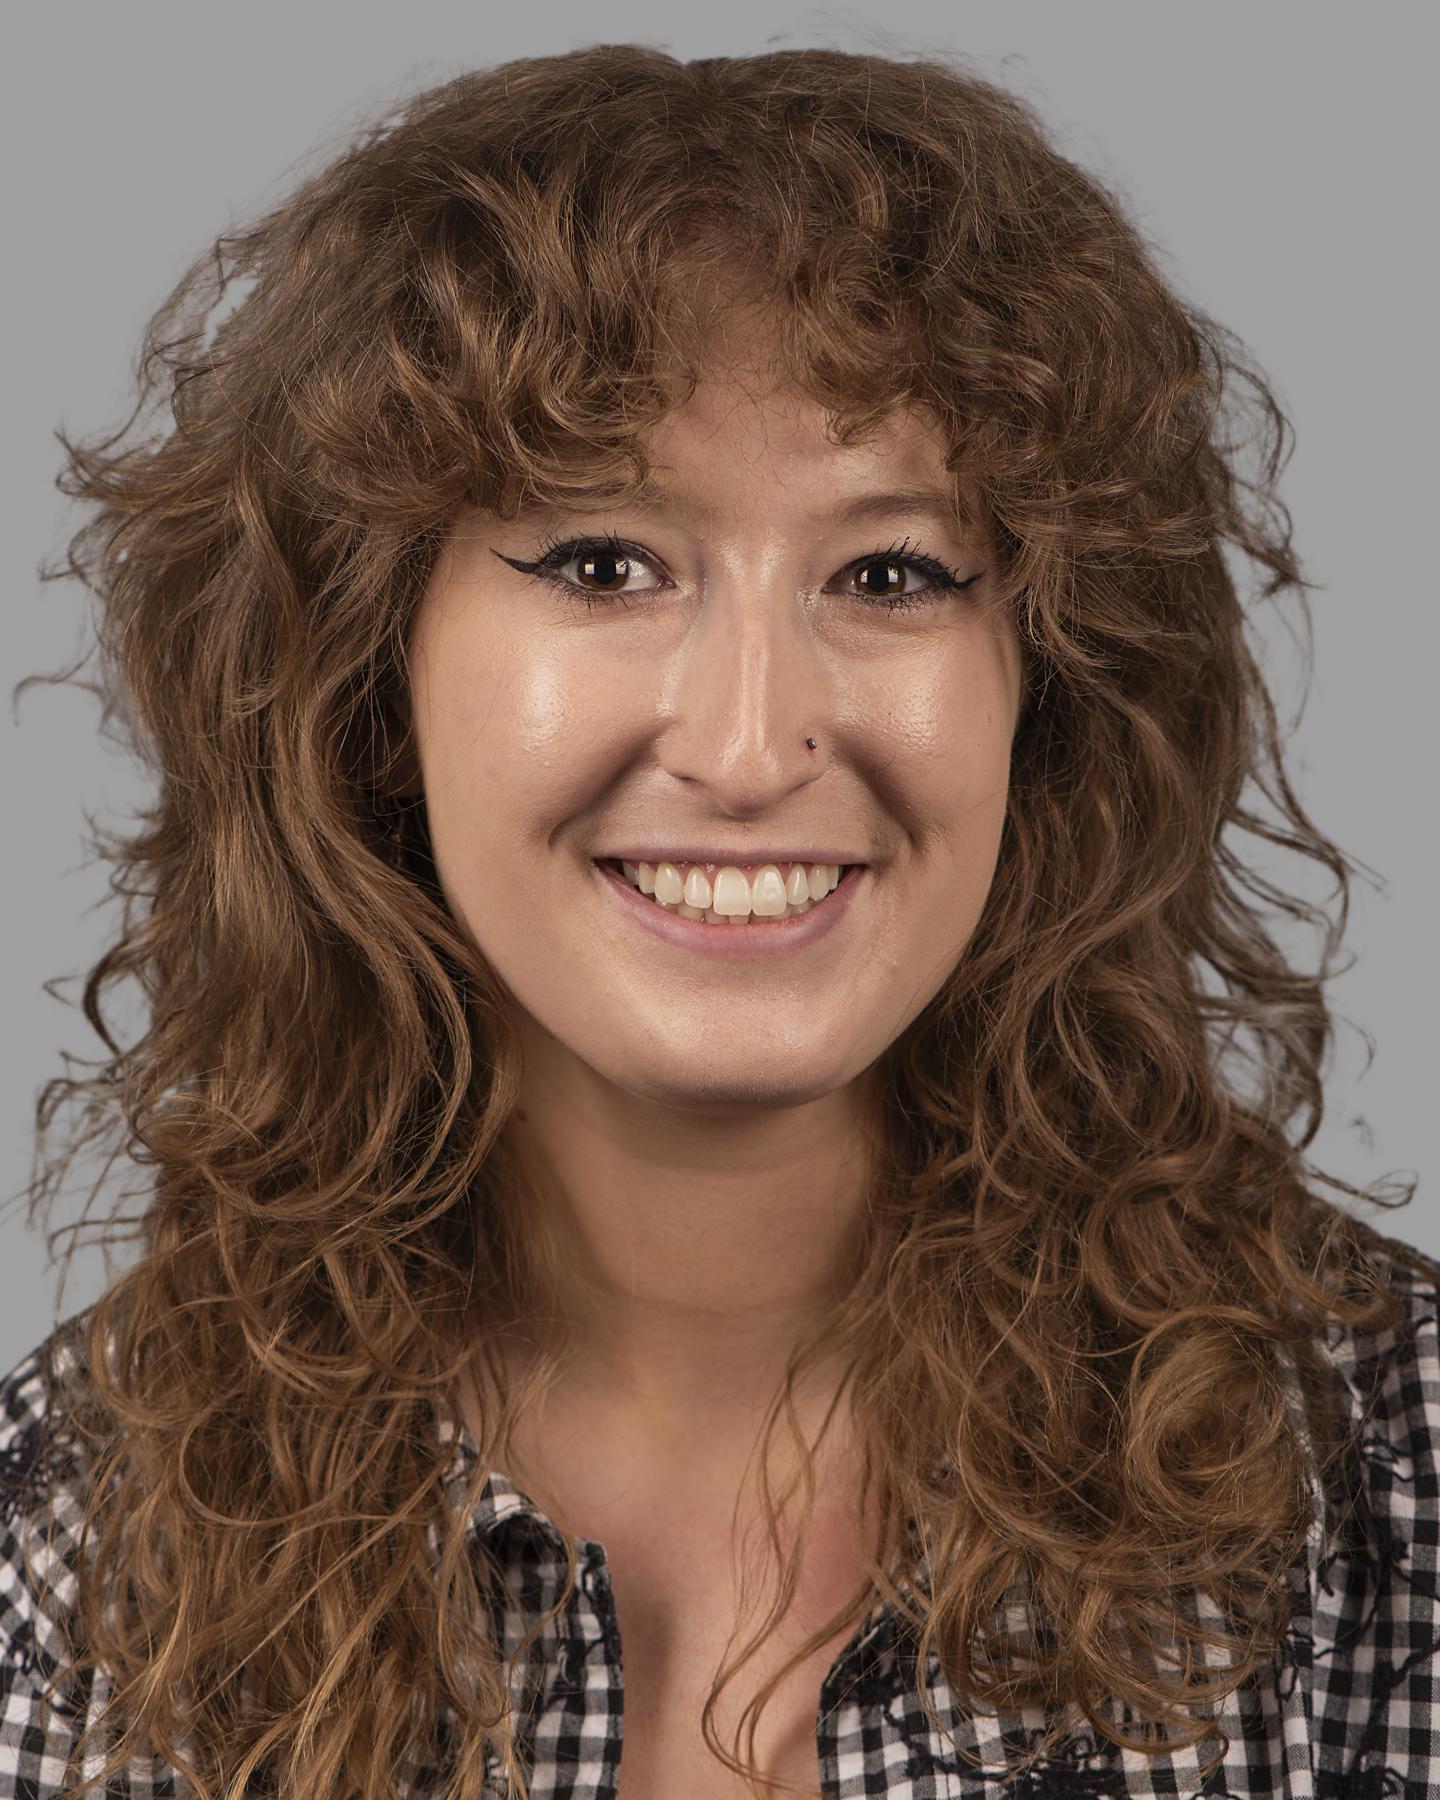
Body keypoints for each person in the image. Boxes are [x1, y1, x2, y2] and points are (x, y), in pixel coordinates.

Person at [2, 40, 1436, 1800]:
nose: (752, 750)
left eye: (892, 572)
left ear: (1047, 692)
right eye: (605, 562)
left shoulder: (1398, 1482)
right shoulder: (70, 1535)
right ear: (365, 674)